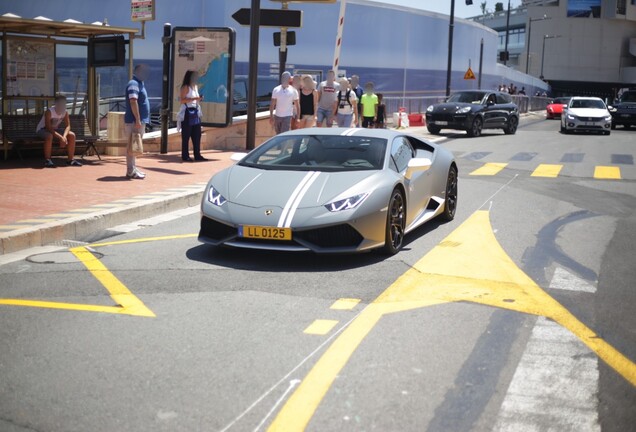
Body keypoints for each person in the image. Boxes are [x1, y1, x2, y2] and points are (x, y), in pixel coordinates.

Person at [36, 95, 82, 168]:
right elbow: (48, 127)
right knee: (49, 136)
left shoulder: (65, 112)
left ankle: (70, 160)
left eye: (64, 104)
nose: (62, 106)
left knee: (72, 135)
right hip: (42, 130)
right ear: (56, 104)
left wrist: (64, 137)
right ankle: (47, 160)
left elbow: (68, 126)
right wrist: (61, 138)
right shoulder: (49, 111)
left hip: (55, 130)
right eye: (60, 103)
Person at [123, 64, 150, 179]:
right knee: (132, 146)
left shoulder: (139, 83)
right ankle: (130, 170)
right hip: (134, 121)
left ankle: (133, 168)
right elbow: (133, 101)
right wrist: (138, 119)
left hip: (137, 121)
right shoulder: (134, 84)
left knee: (135, 146)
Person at [178, 70, 206, 162]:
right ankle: (185, 155)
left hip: (196, 112)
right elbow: (182, 100)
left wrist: (199, 99)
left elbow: (195, 99)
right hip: (187, 112)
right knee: (186, 135)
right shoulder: (186, 87)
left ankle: (197, 155)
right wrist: (194, 98)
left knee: (197, 134)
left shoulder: (195, 87)